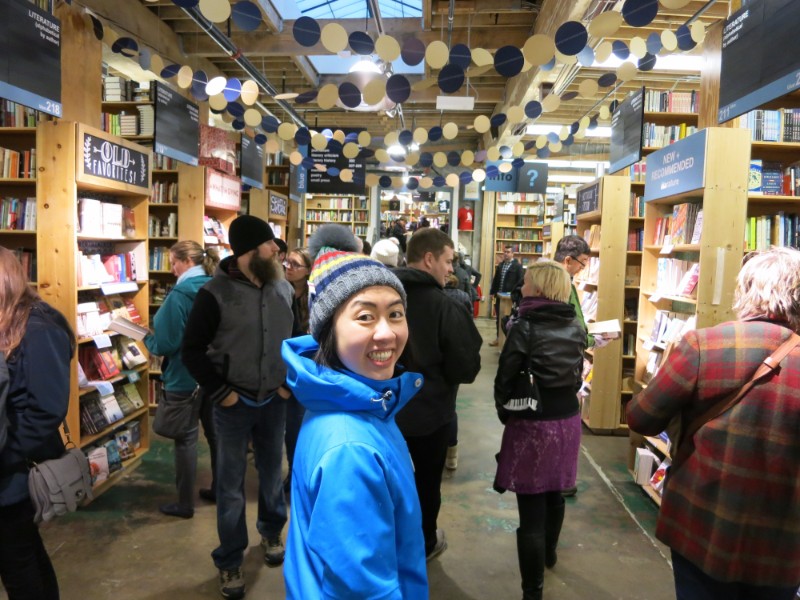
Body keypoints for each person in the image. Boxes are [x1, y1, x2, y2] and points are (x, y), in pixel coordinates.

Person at [627, 247, 800, 600]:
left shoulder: (705, 343)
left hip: (703, 520)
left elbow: (641, 417)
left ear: (746, 290)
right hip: (783, 537)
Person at [281, 224, 428, 599]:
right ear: (329, 330)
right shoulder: (350, 447)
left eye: (396, 314)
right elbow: (364, 588)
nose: (387, 333)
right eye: (365, 317)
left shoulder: (358, 399)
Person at [182, 215, 293, 600]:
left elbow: (295, 342)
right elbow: (191, 351)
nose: (278, 250)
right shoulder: (213, 294)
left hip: (274, 400)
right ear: (249, 250)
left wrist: (287, 385)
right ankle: (230, 560)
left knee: (271, 472)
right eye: (270, 245)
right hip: (232, 404)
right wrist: (220, 392)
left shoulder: (283, 289)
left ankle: (271, 530)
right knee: (228, 487)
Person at [493, 260, 587, 600]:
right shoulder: (575, 325)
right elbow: (577, 375)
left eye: (527, 281)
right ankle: (550, 553)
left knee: (530, 511)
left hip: (532, 421)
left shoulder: (524, 326)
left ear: (540, 288)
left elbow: (505, 377)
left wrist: (507, 414)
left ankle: (532, 591)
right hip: (567, 419)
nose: (521, 285)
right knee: (556, 490)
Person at [394, 227, 482, 560]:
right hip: (430, 415)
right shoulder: (446, 306)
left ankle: (390, 541)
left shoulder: (382, 296)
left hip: (383, 412)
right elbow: (466, 368)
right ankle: (424, 543)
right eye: (447, 261)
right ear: (429, 258)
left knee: (387, 482)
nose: (450, 269)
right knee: (427, 483)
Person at [0, 247, 75, 600]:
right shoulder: (9, 320)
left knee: (19, 563)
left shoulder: (39, 327)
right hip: (9, 466)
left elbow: (47, 409)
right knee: (23, 555)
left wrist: (8, 451)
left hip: (14, 469)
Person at [145, 241, 219, 518]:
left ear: (187, 261)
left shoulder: (179, 296)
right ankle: (219, 489)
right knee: (216, 437)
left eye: (173, 262)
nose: (172, 269)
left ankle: (184, 503)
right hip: (214, 376)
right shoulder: (215, 287)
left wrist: (144, 337)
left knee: (185, 440)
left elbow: (165, 344)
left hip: (184, 377)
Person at [553, 235, 610, 498]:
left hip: (562, 363)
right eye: (582, 263)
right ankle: (562, 479)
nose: (583, 268)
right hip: (564, 365)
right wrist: (590, 338)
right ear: (568, 260)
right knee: (566, 425)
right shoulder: (560, 285)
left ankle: (560, 477)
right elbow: (567, 328)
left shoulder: (559, 281)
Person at [282, 246, 312, 497]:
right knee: (285, 428)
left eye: (295, 264)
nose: (288, 268)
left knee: (297, 425)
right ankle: (292, 472)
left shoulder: (314, 298)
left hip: (304, 372)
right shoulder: (277, 292)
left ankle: (297, 475)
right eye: (286, 263)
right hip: (279, 369)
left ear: (308, 270)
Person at [442, 273, 473, 470]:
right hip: (456, 355)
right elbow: (469, 320)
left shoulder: (437, 297)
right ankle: (451, 453)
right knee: (451, 407)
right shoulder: (463, 297)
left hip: (437, 358)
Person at [489, 245, 524, 346]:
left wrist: (516, 295)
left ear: (513, 254)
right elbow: (496, 280)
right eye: (504, 252)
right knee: (499, 318)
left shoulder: (517, 266)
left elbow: (520, 281)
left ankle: (508, 341)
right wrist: (492, 292)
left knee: (509, 319)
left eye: (508, 252)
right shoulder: (500, 265)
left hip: (511, 299)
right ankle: (498, 338)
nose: (506, 254)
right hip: (499, 297)